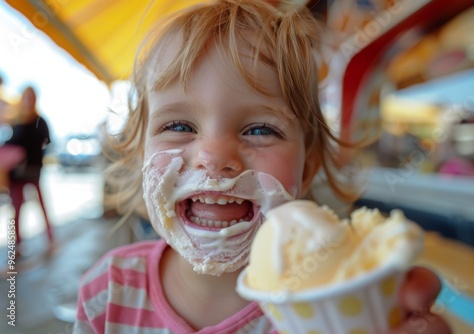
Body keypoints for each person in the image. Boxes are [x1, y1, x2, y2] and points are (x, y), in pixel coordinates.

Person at [75, 1, 451, 333]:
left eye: (259, 129)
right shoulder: (106, 294)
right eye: (178, 126)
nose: (214, 157)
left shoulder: (327, 310)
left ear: (306, 170)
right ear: (141, 155)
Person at [5, 86, 53, 247]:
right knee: (16, 209)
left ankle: (50, 239)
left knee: (41, 206)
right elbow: (11, 143)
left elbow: (47, 144)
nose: (28, 100)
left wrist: (34, 157)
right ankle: (16, 244)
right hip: (16, 173)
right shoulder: (16, 121)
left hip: (33, 170)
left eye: (31, 97)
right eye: (26, 96)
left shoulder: (40, 121)